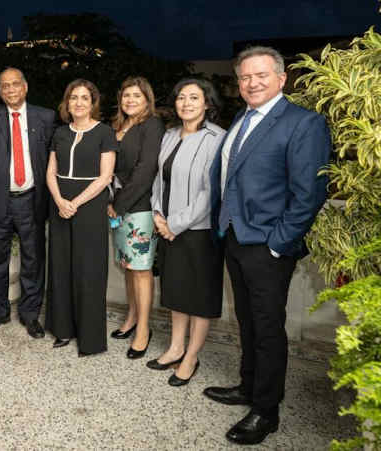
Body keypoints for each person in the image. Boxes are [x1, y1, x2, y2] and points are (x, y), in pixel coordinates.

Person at [206, 46, 331, 445]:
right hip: (235, 238)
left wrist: (279, 243)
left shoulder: (302, 123)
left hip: (267, 245)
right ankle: (247, 387)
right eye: (244, 77)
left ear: (281, 79)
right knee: (247, 319)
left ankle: (266, 411)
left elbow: (309, 193)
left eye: (260, 75)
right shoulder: (243, 118)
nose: (251, 83)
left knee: (267, 328)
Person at [147, 78, 226, 386]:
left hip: (199, 231)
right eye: (181, 98)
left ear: (207, 103)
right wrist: (157, 215)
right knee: (176, 291)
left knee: (200, 297)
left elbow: (212, 192)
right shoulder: (168, 136)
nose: (187, 103)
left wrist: (176, 223)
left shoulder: (217, 139)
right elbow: (158, 180)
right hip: (166, 227)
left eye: (194, 98)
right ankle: (175, 347)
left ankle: (191, 356)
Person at [0, 68, 56, 339]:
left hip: (32, 201)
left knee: (33, 260)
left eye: (15, 85)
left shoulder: (45, 118)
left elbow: (54, 160)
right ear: (0, 91)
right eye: (4, 86)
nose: (10, 90)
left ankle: (30, 314)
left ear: (25, 87)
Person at [46, 79, 116, 356]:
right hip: (59, 202)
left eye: (84, 98)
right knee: (61, 267)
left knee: (89, 270)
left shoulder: (104, 132)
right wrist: (60, 201)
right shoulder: (60, 133)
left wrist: (74, 202)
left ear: (92, 102)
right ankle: (62, 329)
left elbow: (105, 177)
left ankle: (90, 338)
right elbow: (50, 171)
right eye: (73, 97)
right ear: (67, 102)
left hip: (89, 205)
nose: (78, 102)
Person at [108, 76, 163, 360]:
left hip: (138, 207)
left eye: (136, 96)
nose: (130, 100)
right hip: (117, 208)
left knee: (141, 270)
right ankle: (131, 318)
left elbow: (145, 171)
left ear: (147, 99)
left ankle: (143, 329)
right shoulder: (118, 126)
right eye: (126, 95)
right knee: (128, 266)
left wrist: (118, 204)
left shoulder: (151, 125)